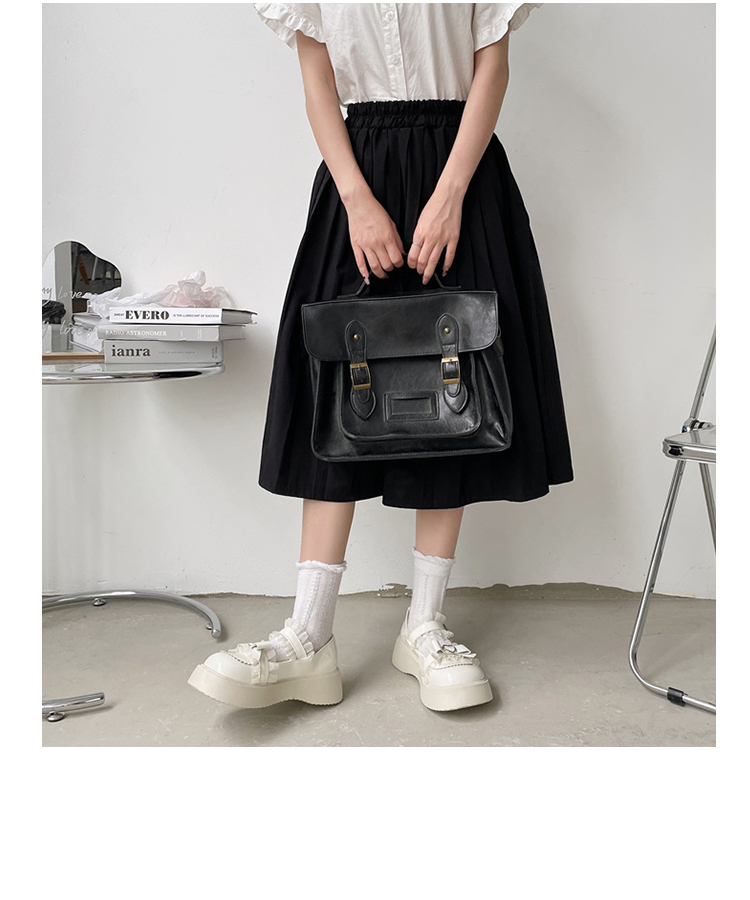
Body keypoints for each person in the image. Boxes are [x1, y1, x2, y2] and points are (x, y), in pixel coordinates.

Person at [188, 3, 573, 713]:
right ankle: (308, 634)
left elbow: (491, 64)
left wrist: (451, 193)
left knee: (456, 385)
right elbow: (318, 81)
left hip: (462, 172)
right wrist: (356, 200)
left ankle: (424, 625)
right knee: (332, 381)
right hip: (356, 173)